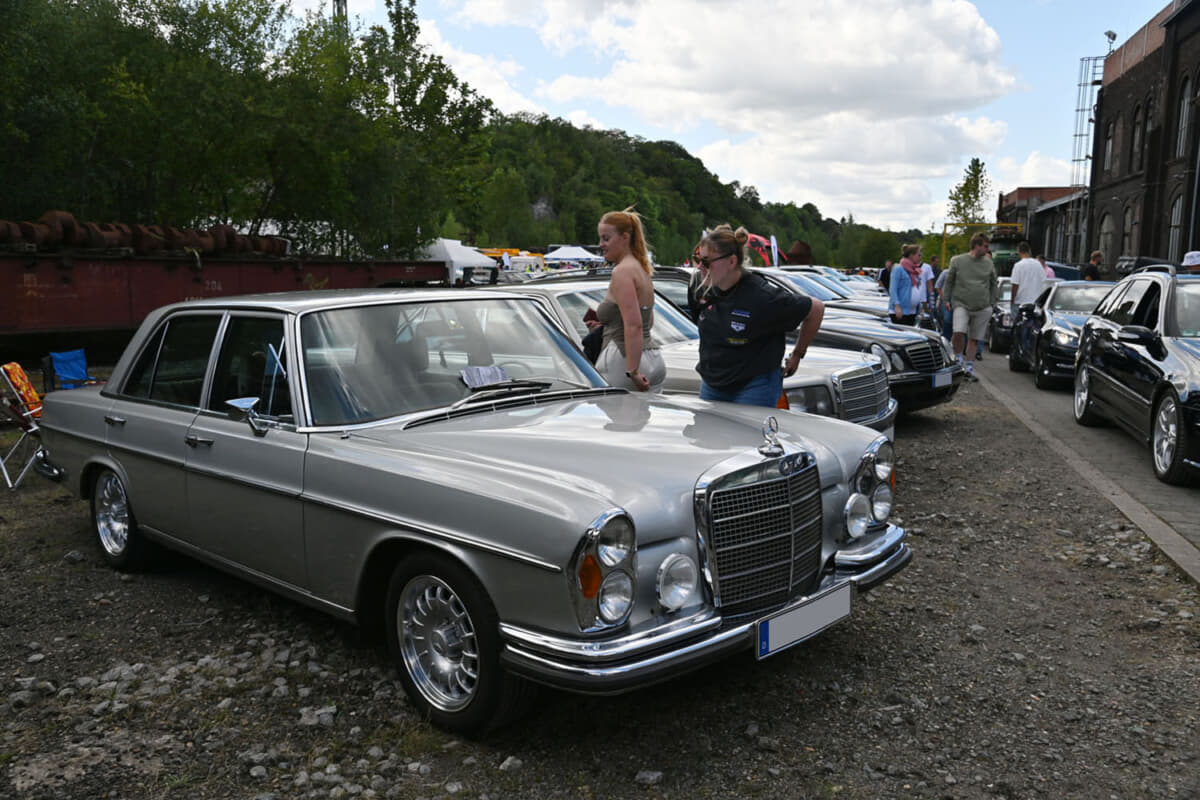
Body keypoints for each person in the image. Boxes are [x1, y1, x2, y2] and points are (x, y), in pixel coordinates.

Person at [692, 225, 824, 406]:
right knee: (708, 433)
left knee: (747, 435)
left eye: (706, 261)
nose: (700, 266)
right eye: (697, 259)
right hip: (713, 383)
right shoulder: (703, 290)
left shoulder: (763, 296)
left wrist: (798, 354)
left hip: (753, 386)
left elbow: (816, 309)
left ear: (731, 262)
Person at [594, 209, 666, 392]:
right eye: (600, 238)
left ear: (625, 237)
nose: (601, 244)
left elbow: (634, 325)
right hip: (653, 357)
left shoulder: (622, 271)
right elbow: (647, 321)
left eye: (606, 238)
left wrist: (633, 371)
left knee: (619, 419)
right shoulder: (642, 270)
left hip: (624, 360)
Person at [942, 232, 998, 382]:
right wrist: (946, 299)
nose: (987, 249)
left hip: (982, 306)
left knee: (974, 338)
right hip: (961, 303)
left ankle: (969, 367)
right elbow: (949, 281)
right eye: (985, 246)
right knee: (958, 331)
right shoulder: (957, 261)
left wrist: (992, 303)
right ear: (977, 246)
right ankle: (958, 358)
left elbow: (994, 283)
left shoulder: (988, 263)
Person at [889, 245, 921, 325]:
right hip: (900, 311)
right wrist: (897, 305)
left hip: (912, 311)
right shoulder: (898, 269)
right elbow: (893, 289)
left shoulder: (914, 270)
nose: (920, 257)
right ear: (911, 255)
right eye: (919, 255)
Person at [1010, 241, 1045, 307]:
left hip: (1020, 302)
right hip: (1035, 302)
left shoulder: (1018, 266)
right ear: (1029, 251)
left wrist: (1012, 300)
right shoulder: (1038, 264)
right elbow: (1043, 280)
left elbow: (1015, 285)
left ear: (1019, 252)